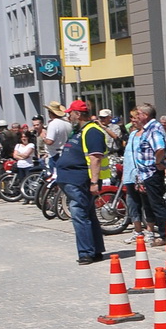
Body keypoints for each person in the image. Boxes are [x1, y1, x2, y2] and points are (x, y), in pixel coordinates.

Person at [53, 99, 111, 264]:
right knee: (88, 214)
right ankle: (95, 250)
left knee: (79, 214)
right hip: (73, 179)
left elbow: (95, 158)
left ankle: (86, 252)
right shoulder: (80, 130)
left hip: (80, 180)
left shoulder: (92, 131)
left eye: (71, 113)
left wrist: (94, 182)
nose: (69, 116)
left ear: (78, 114)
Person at [121, 103, 166, 240]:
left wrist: (157, 162)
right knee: (152, 204)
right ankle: (163, 234)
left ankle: (165, 236)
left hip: (151, 173)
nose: (136, 116)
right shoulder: (146, 129)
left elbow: (160, 148)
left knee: (157, 205)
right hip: (144, 173)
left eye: (139, 114)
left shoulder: (153, 129)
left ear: (145, 115)